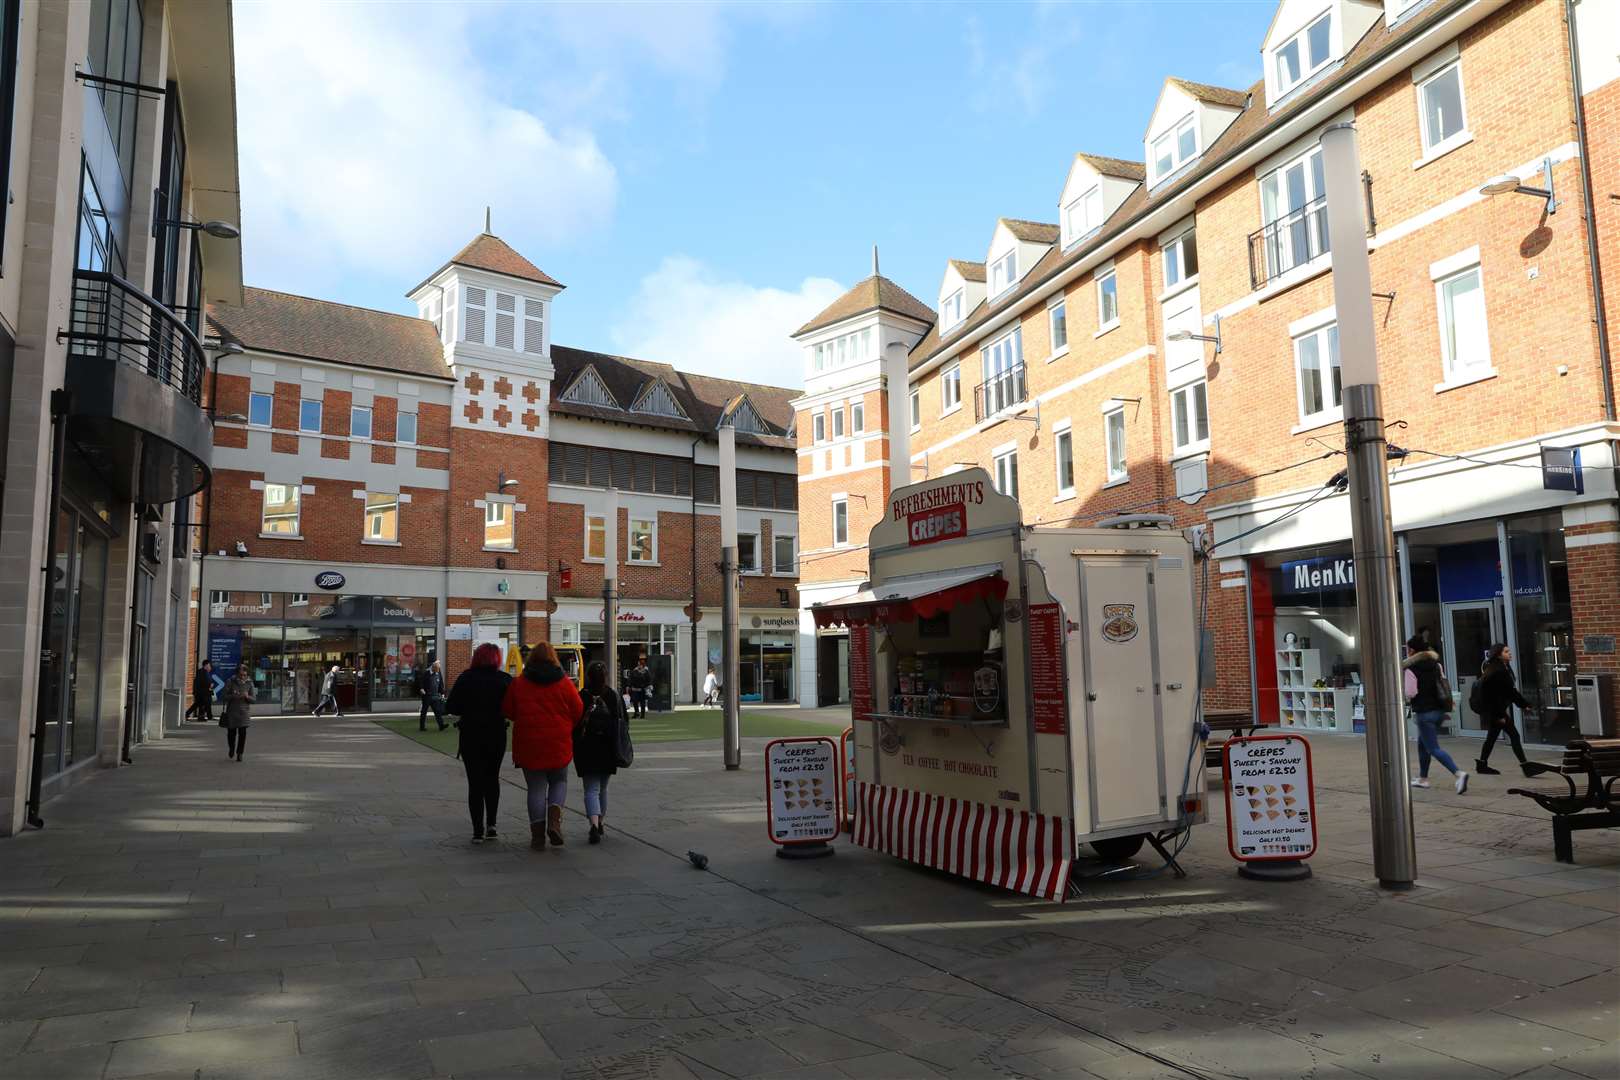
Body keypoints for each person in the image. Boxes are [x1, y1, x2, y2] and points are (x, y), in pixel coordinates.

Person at [502, 642, 583, 850]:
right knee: (559, 781)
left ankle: (537, 837)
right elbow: (578, 710)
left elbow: (508, 710)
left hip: (529, 745)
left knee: (535, 788)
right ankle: (554, 822)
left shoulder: (519, 683)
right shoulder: (565, 683)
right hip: (558, 743)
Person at [446, 642, 513, 844]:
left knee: (475, 783)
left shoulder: (466, 678)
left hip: (471, 735)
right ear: (497, 658)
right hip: (496, 735)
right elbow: (512, 709)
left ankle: (477, 830)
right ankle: (491, 825)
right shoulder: (504, 680)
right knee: (492, 779)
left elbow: (452, 707)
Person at [1404, 635, 1468, 794]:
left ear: (1412, 650)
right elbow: (1443, 683)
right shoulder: (1436, 665)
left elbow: (1410, 693)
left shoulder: (1411, 668)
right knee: (1422, 744)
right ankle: (1423, 779)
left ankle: (1459, 774)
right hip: (1439, 711)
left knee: (1433, 748)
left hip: (1424, 713)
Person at [575, 661, 626, 844]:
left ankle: (594, 825)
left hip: (587, 748)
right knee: (603, 788)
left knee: (591, 789)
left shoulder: (581, 695)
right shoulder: (612, 695)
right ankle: (601, 822)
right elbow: (623, 721)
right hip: (608, 747)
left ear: (588, 676)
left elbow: (575, 722)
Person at [1475, 643, 1534, 776]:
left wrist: (1524, 704)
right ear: (1499, 655)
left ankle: (1482, 764)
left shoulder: (1499, 668)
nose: (1510, 653)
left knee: (1491, 738)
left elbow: (1509, 692)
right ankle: (1526, 766)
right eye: (1506, 652)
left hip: (1496, 711)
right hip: (1497, 711)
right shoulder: (1498, 671)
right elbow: (1506, 693)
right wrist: (1500, 715)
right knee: (1514, 735)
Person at [221, 664, 254, 762]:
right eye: (241, 675)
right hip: (232, 712)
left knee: (242, 733)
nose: (243, 677)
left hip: (244, 713)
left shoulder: (249, 683)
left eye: (245, 675)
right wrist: (234, 695)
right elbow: (224, 696)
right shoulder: (230, 682)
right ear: (237, 674)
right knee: (231, 733)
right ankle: (231, 748)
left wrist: (248, 697)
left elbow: (254, 699)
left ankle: (240, 753)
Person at [419, 660, 447, 732]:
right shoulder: (426, 673)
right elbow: (421, 682)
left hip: (435, 696)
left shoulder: (438, 673)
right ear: (433, 668)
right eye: (436, 670)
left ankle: (441, 726)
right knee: (424, 711)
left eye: (438, 670)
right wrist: (422, 689)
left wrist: (442, 693)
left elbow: (441, 684)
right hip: (427, 696)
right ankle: (422, 727)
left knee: (437, 711)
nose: (437, 671)